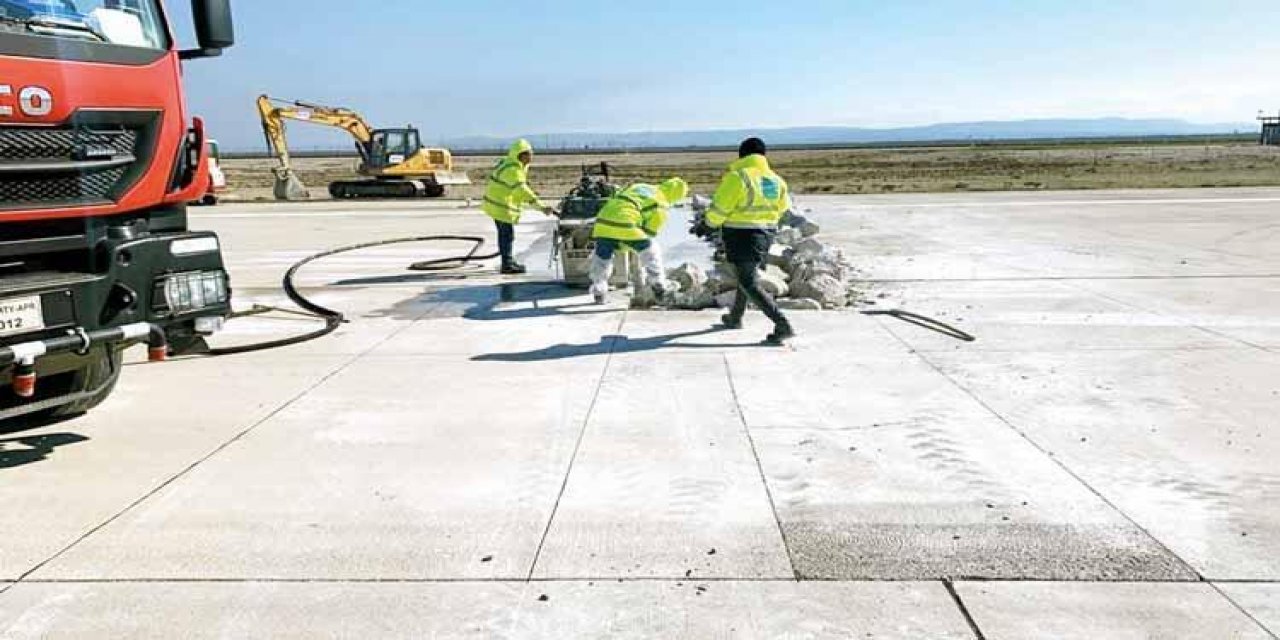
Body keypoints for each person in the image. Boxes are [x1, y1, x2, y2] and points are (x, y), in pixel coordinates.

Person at [705, 137, 796, 345]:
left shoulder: (738, 177)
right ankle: (735, 317)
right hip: (765, 235)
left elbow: (721, 207)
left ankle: (782, 324)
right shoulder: (775, 179)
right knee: (746, 275)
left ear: (741, 155)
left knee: (748, 281)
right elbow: (783, 208)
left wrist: (708, 223)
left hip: (741, 234)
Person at [589, 178, 688, 304]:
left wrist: (620, 242)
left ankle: (599, 290)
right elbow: (649, 233)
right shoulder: (661, 204)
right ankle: (658, 285)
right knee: (651, 250)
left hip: (603, 221)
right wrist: (627, 244)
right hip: (626, 223)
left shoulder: (641, 186)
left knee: (602, 257)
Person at [481, 139, 557, 274]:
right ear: (521, 155)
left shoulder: (513, 164)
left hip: (497, 204)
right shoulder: (513, 170)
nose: (531, 157)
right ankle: (507, 265)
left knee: (505, 234)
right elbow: (522, 191)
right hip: (500, 205)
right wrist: (542, 207)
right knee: (506, 235)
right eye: (528, 154)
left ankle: (507, 261)